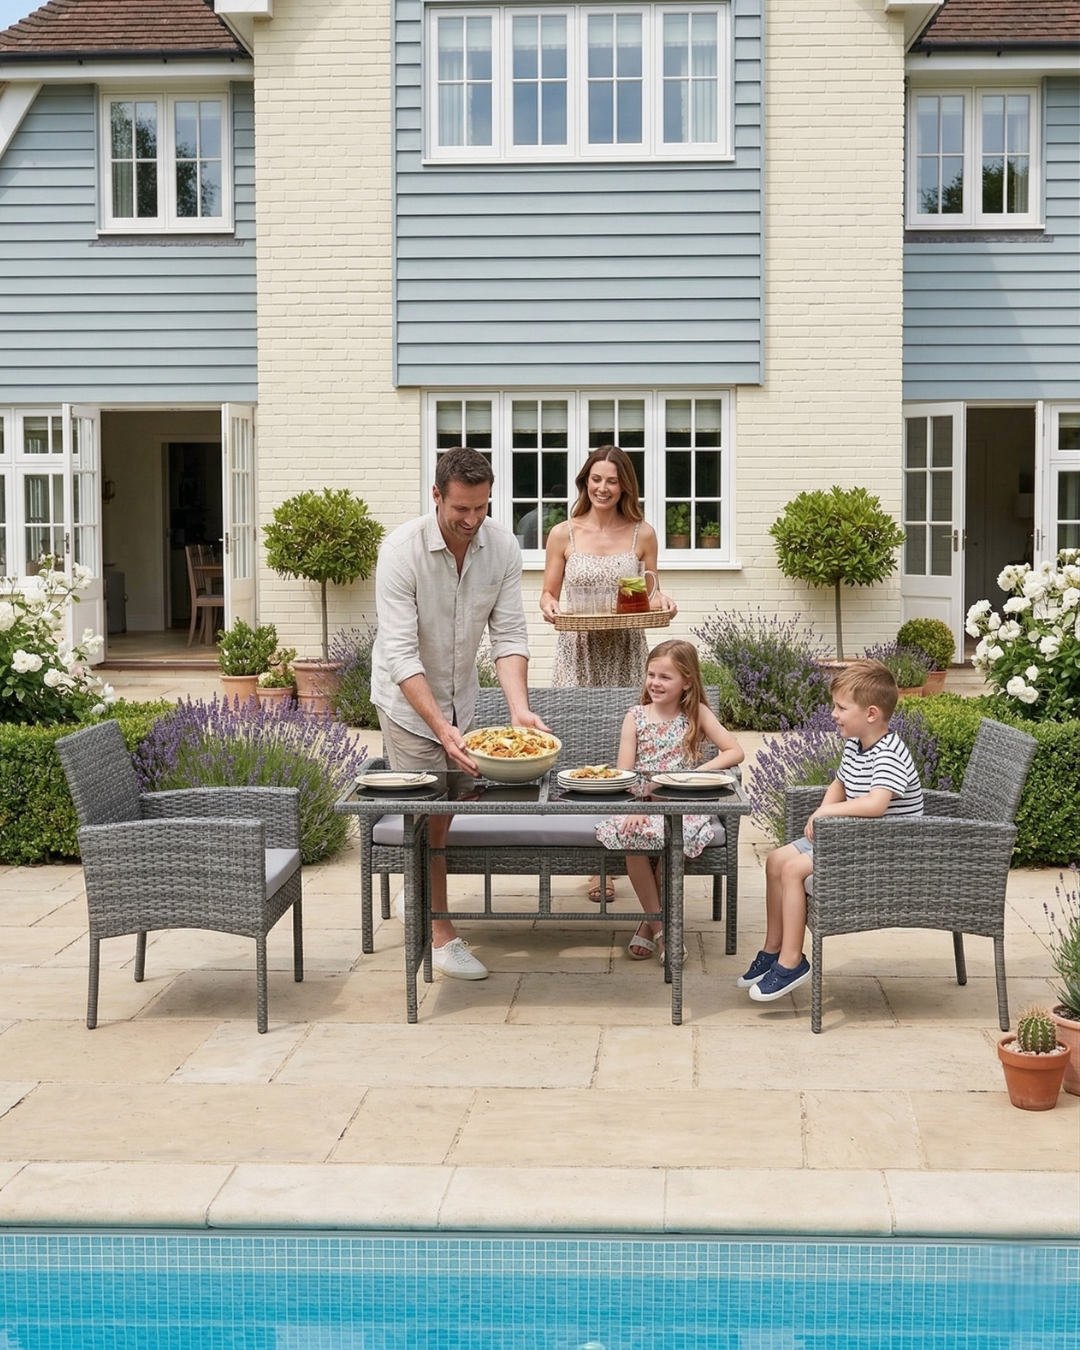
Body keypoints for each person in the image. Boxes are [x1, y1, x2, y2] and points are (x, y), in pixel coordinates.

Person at [371, 446, 550, 981]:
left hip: (462, 698)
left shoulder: (501, 547)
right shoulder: (401, 552)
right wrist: (442, 729)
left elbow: (510, 634)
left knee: (445, 812)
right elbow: (401, 654)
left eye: (482, 509)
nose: (472, 521)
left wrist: (518, 709)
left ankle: (420, 889)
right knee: (427, 810)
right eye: (460, 511)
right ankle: (441, 932)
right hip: (408, 705)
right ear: (436, 497)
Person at [739, 658, 924, 1003]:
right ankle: (773, 948)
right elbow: (840, 782)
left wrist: (827, 812)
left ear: (870, 714)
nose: (834, 714)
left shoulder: (890, 755)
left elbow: (876, 805)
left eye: (841, 707)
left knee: (793, 871)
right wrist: (823, 807)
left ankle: (792, 961)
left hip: (885, 850)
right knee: (776, 860)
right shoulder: (857, 744)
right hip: (854, 839)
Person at [540, 446, 677, 902]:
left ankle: (624, 852)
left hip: (624, 650)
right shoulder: (563, 533)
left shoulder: (643, 533)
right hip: (576, 650)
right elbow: (547, 593)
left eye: (612, 481)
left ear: (625, 487)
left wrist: (663, 602)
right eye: (595, 479)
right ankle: (592, 858)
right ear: (585, 482)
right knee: (578, 747)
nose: (603, 488)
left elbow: (650, 592)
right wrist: (550, 607)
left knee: (625, 748)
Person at [594, 639, 744, 965]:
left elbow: (735, 751)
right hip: (645, 801)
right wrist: (638, 806)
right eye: (651, 675)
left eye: (666, 677)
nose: (656, 683)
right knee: (630, 836)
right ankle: (664, 928)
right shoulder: (636, 716)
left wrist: (693, 776)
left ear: (687, 682)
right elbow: (625, 772)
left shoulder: (696, 714)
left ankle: (649, 925)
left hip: (683, 804)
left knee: (673, 840)